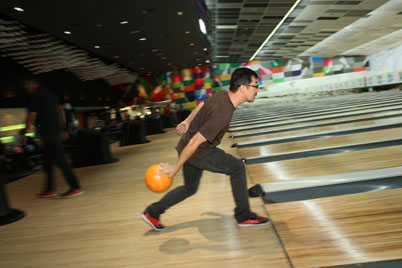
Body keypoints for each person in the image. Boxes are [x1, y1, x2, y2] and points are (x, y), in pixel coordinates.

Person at [142, 68, 268, 231]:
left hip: (187, 146)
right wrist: (175, 168)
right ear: (243, 87)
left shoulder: (222, 95)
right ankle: (244, 216)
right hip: (199, 151)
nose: (257, 90)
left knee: (189, 188)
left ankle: (152, 212)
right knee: (237, 167)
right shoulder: (223, 113)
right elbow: (195, 142)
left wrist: (188, 121)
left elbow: (202, 105)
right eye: (255, 86)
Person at [21, 75, 83, 198]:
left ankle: (76, 187)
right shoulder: (50, 93)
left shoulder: (36, 95)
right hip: (54, 130)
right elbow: (61, 111)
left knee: (60, 159)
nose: (26, 87)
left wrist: (25, 133)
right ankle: (49, 189)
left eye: (26, 84)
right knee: (47, 161)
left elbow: (32, 116)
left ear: (31, 83)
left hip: (49, 131)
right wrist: (63, 129)